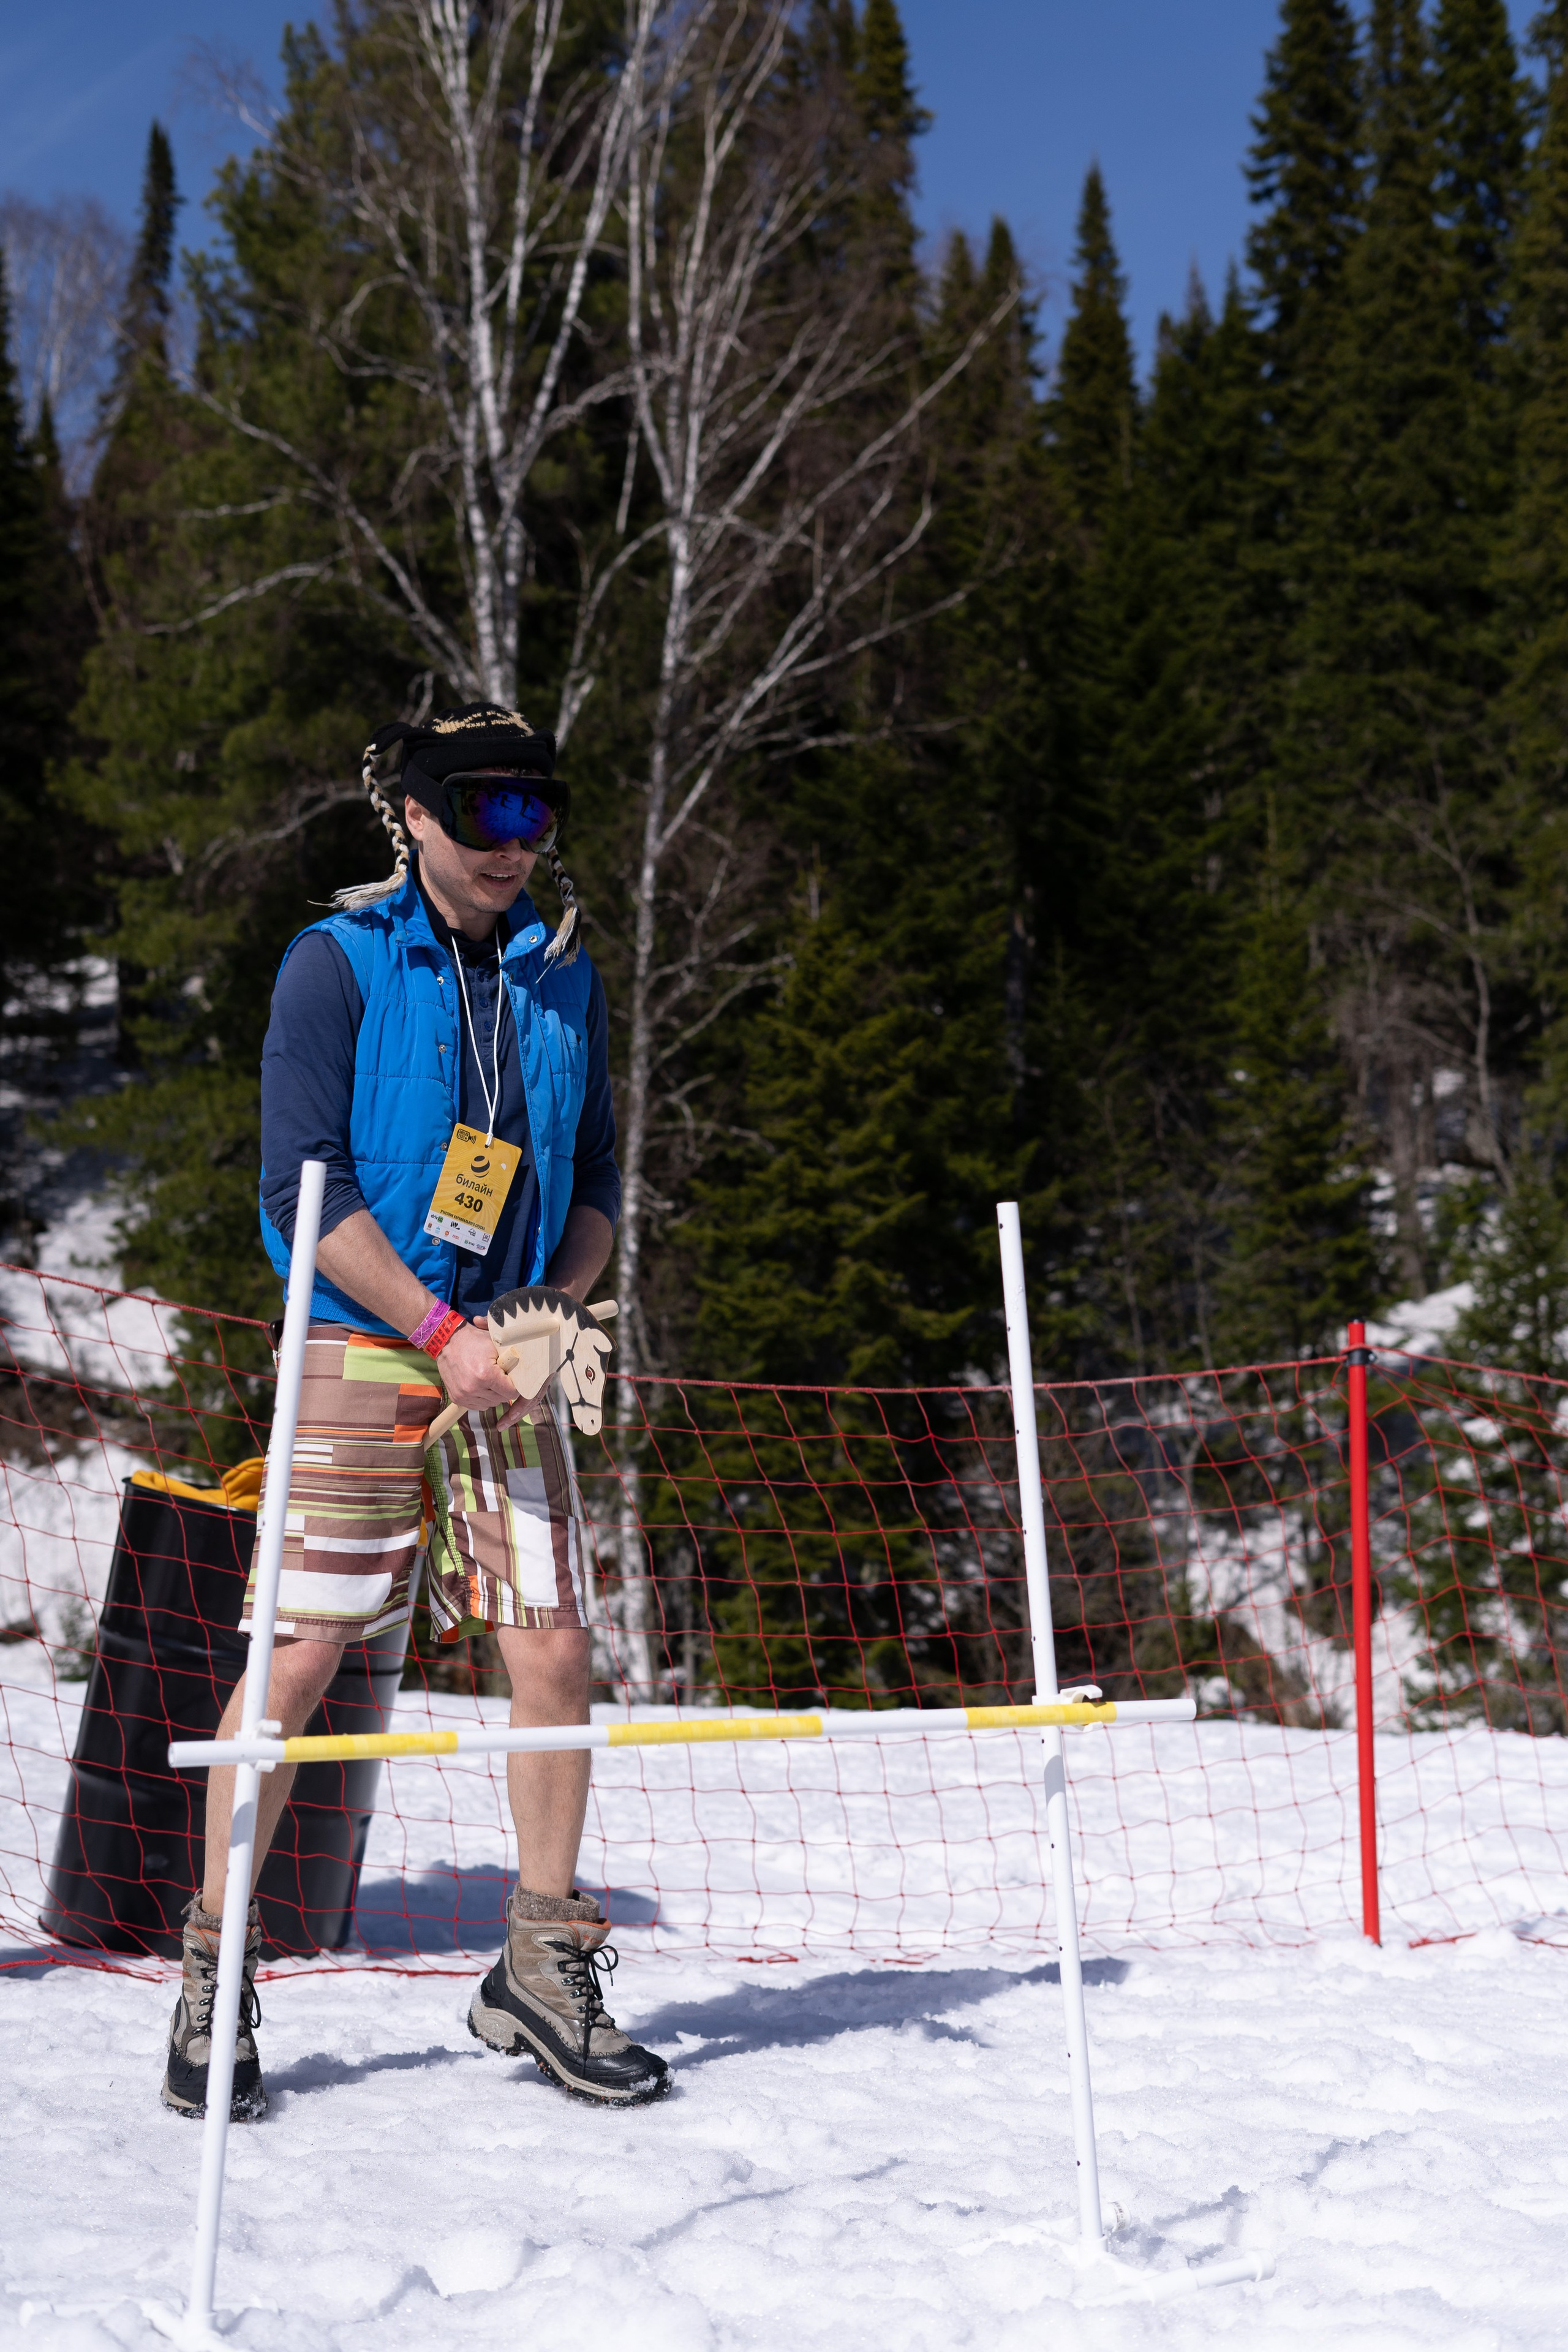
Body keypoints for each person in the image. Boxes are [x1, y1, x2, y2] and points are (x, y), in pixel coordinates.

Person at [161, 703, 668, 2120]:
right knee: (309, 1655)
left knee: (556, 1650)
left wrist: (548, 1309)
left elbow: (600, 1185)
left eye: (539, 814)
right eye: (488, 812)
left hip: (506, 1358)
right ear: (421, 818)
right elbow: (298, 1194)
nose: (517, 844)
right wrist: (436, 1332)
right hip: (365, 1335)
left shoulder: (567, 981)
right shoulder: (335, 964)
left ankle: (540, 1967)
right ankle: (217, 1967)